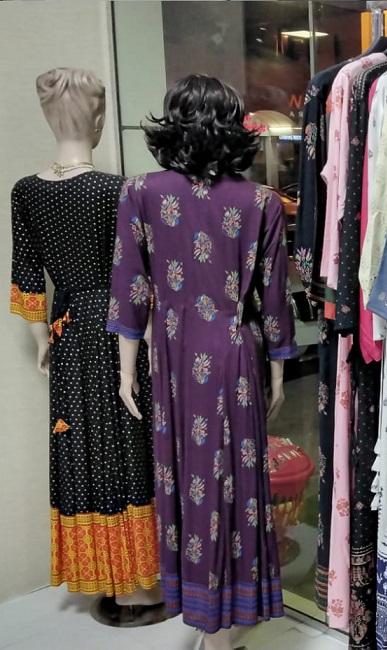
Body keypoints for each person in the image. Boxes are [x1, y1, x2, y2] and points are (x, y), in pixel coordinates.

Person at [107, 74, 297, 650]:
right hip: (236, 353)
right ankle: (228, 618)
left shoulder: (139, 192)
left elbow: (130, 287)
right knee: (236, 482)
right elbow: (274, 297)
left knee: (187, 479)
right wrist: (278, 369)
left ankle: (204, 612)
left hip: (173, 353)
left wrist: (126, 370)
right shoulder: (260, 201)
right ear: (233, 126)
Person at [10, 67, 163, 624]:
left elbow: (26, 273)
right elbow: (138, 275)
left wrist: (41, 339)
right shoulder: (118, 189)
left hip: (67, 331)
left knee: (82, 449)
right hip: (120, 328)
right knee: (127, 443)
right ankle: (138, 583)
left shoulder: (25, 191)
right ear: (98, 119)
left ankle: (108, 574)